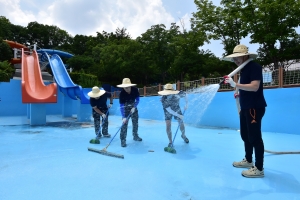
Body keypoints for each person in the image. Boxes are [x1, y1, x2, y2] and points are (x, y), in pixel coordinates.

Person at [223, 44, 267, 178]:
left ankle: (259, 168)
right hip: (246, 107)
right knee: (245, 136)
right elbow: (247, 88)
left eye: (238, 57)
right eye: (234, 58)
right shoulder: (243, 69)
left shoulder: (254, 67)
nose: (236, 60)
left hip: (254, 108)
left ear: (245, 55)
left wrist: (236, 85)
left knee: (255, 138)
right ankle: (248, 160)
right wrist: (240, 93)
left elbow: (254, 87)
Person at [158, 83, 189, 147]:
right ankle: (170, 141)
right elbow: (169, 110)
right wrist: (178, 115)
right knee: (168, 125)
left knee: (181, 123)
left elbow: (185, 94)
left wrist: (186, 104)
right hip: (168, 111)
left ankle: (183, 135)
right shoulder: (163, 98)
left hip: (176, 108)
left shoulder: (178, 93)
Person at [117, 78, 142, 147]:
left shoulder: (135, 90)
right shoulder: (122, 94)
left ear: (130, 86)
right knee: (124, 125)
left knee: (135, 123)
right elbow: (121, 106)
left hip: (133, 107)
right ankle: (123, 140)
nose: (126, 89)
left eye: (127, 87)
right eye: (125, 87)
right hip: (125, 109)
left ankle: (135, 136)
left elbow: (137, 99)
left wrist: (134, 107)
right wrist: (123, 117)